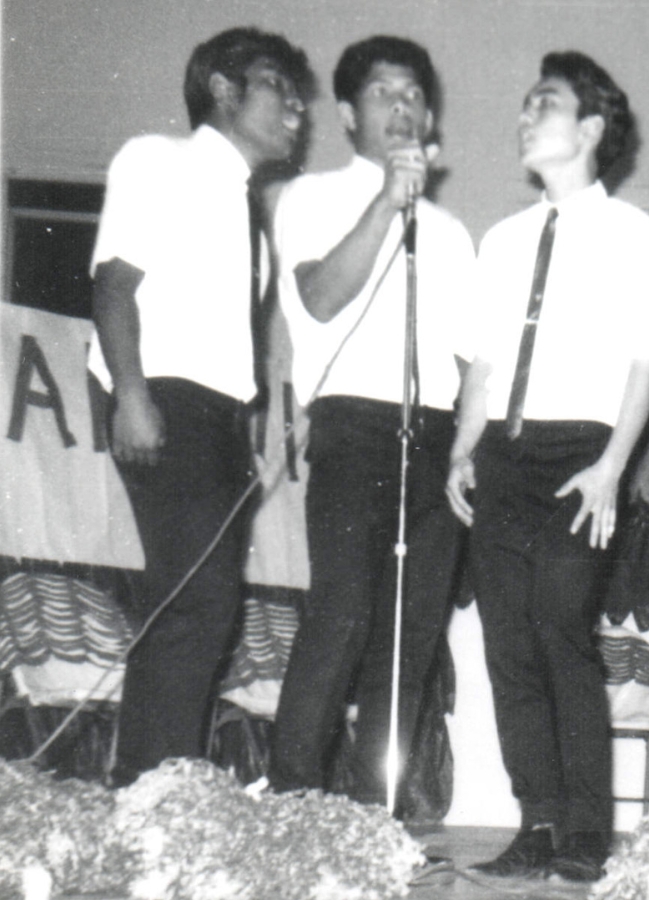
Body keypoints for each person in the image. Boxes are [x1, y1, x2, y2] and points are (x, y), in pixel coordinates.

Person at [446, 50, 649, 882]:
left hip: (584, 454)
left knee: (559, 628)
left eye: (543, 103)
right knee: (506, 642)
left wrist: (613, 465)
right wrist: (462, 454)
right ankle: (535, 820)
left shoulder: (637, 237)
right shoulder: (502, 241)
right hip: (504, 451)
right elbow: (480, 366)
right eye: (525, 103)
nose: (523, 115)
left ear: (590, 128)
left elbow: (644, 365)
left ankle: (585, 833)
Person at [89, 26, 312, 787]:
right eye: (276, 85)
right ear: (222, 89)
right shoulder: (159, 160)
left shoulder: (247, 209)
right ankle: (153, 793)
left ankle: (158, 786)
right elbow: (114, 284)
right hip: (161, 394)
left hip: (216, 416)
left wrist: (245, 426)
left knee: (203, 604)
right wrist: (131, 394)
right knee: (197, 601)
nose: (295, 106)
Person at [267, 36, 475, 811]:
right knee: (343, 617)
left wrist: (471, 447)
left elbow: (469, 359)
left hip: (437, 439)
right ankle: (290, 804)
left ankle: (371, 814)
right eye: (386, 93)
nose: (404, 108)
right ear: (349, 113)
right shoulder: (312, 198)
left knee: (410, 643)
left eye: (415, 94)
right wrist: (387, 201)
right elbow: (320, 299)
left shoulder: (451, 235)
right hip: (354, 429)